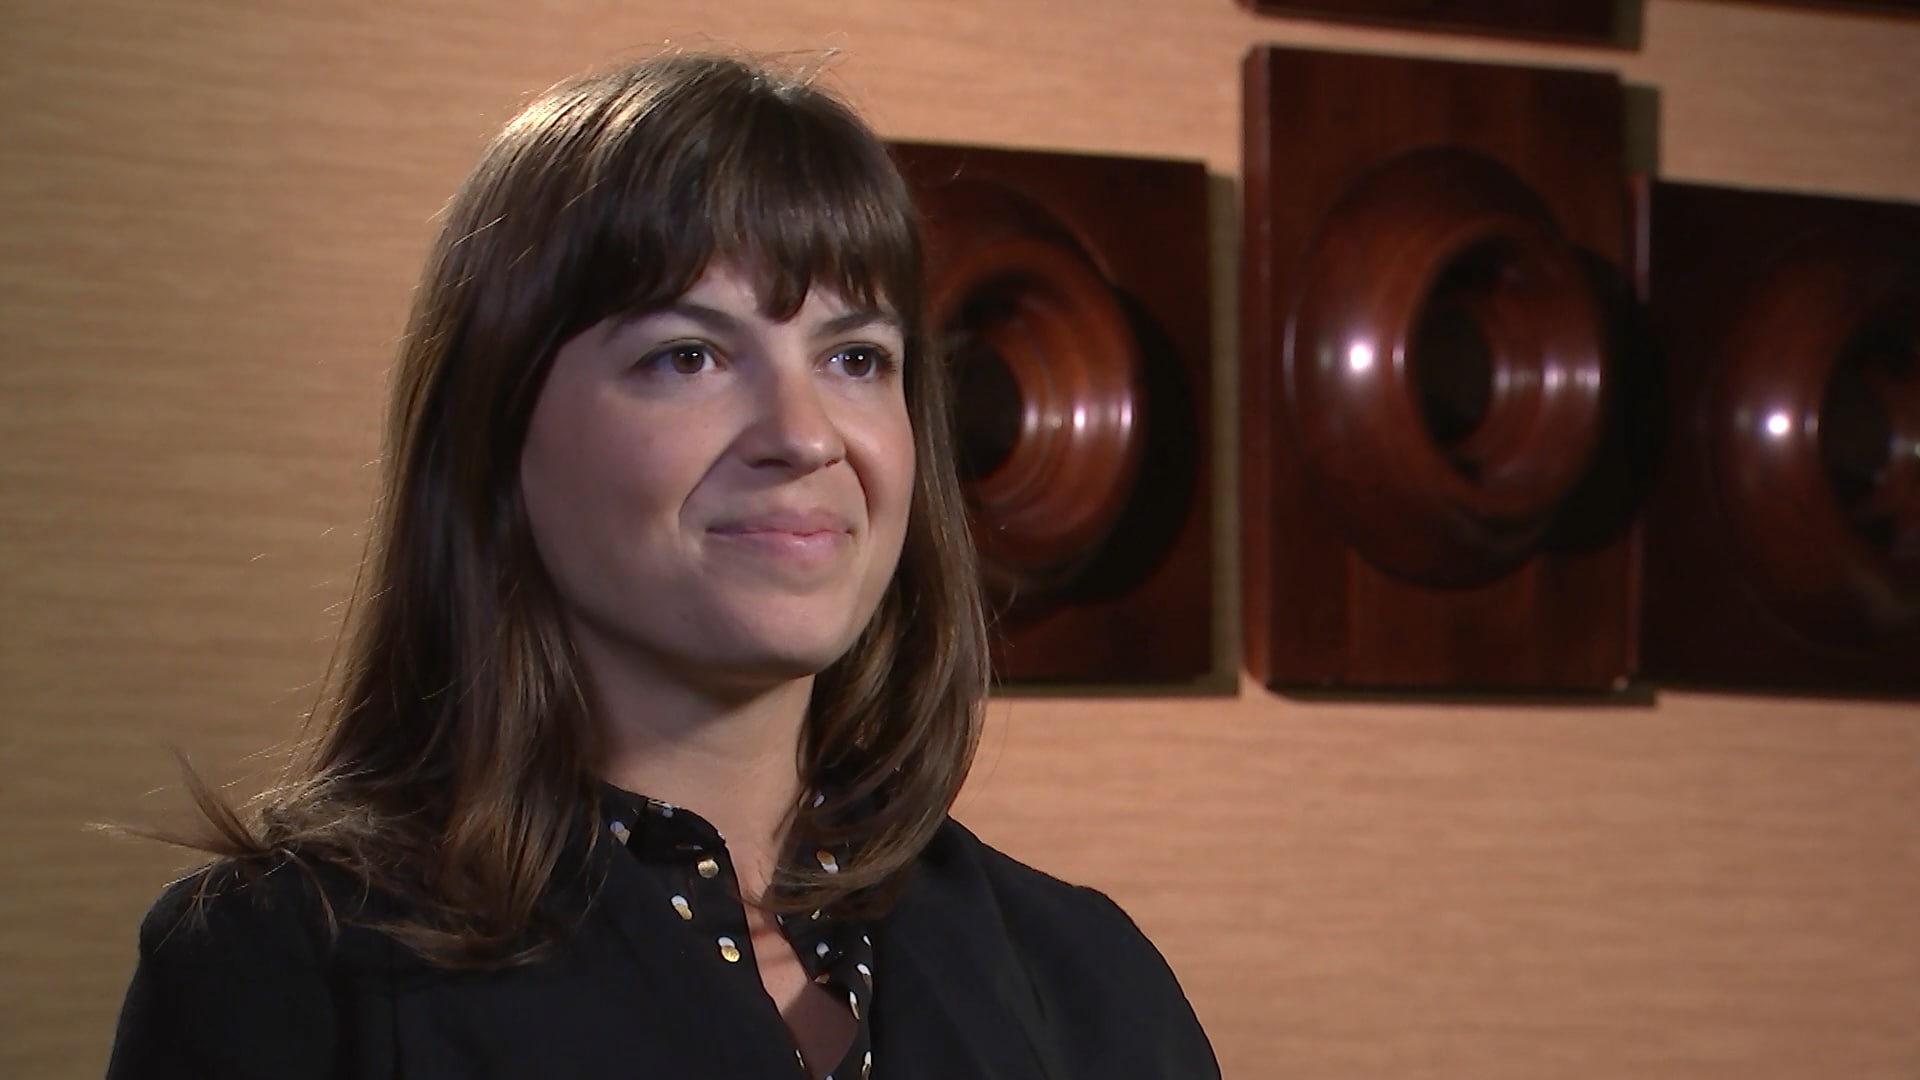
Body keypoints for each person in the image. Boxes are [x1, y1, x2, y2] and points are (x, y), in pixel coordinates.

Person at [106, 51, 1218, 1079]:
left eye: (855, 356)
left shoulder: (1090, 979)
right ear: (493, 435)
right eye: (688, 355)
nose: (804, 432)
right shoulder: (286, 972)